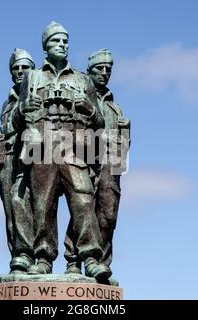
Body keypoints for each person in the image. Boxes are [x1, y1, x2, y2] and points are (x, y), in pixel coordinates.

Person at [13, 22, 111, 281]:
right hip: (40, 147)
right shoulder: (32, 78)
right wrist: (23, 109)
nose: (63, 45)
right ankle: (43, 258)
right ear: (46, 46)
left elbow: (100, 121)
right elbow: (14, 120)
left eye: (66, 41)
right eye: (57, 41)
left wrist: (88, 107)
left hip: (73, 147)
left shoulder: (82, 80)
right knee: (43, 203)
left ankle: (90, 257)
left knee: (83, 198)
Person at [64, 49, 131, 276]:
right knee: (83, 210)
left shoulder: (115, 107)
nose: (104, 73)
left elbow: (123, 146)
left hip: (111, 165)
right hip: (85, 159)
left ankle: (101, 263)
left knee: (108, 215)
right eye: (99, 69)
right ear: (90, 71)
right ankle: (74, 260)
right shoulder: (81, 97)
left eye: (108, 69)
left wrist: (125, 132)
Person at [0, 48, 35, 273]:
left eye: (25, 67)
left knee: (28, 205)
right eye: (16, 68)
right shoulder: (7, 102)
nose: (20, 72)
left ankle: (31, 256)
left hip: (31, 156)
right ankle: (18, 258)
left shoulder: (36, 95)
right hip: (7, 158)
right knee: (11, 211)